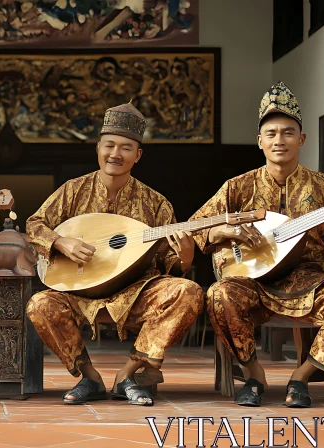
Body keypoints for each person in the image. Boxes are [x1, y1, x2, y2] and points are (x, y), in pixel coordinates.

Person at [191, 81, 324, 408]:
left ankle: (303, 375)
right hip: (251, 282)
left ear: (302, 139)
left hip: (309, 282)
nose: (279, 140)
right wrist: (228, 232)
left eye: (288, 133)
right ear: (260, 142)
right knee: (218, 295)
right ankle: (254, 374)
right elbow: (197, 227)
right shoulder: (237, 187)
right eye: (272, 134)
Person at [25, 101, 204, 406]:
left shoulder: (156, 203)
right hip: (80, 293)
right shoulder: (72, 190)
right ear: (98, 149)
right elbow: (33, 225)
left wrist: (186, 254)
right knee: (40, 304)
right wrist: (60, 242)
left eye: (125, 147)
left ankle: (130, 373)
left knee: (189, 292)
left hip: (135, 293)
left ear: (138, 155)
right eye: (109, 145)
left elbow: (169, 267)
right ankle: (89, 378)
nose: (115, 154)